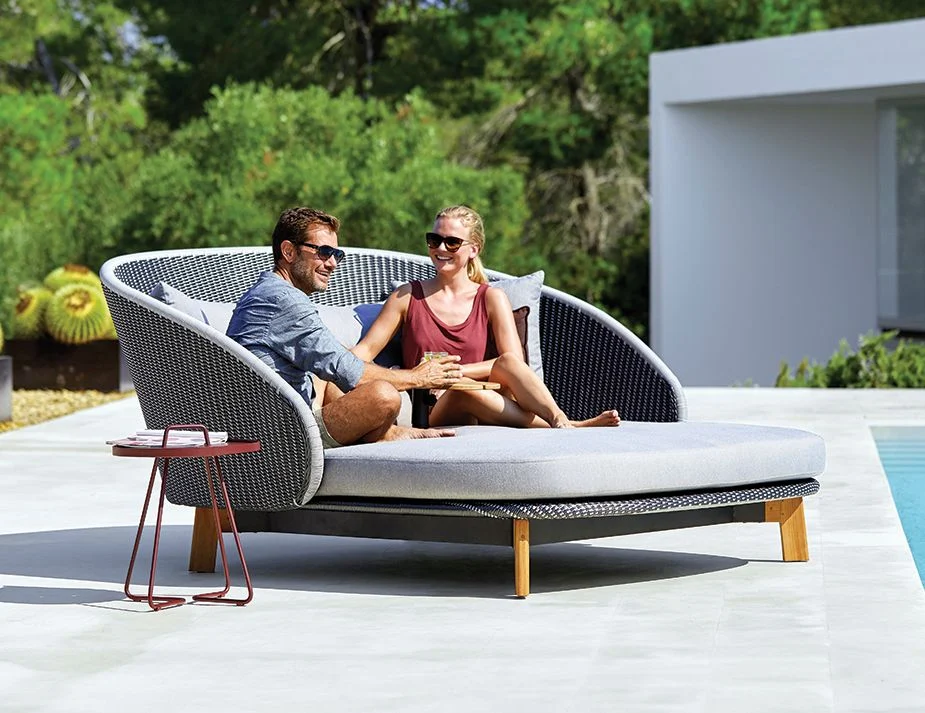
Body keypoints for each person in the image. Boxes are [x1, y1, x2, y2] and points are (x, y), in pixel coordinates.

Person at [353, 205, 621, 429]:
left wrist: (453, 372)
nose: (441, 248)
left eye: (452, 242)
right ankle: (570, 425)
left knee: (506, 364)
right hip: (432, 407)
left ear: (474, 249)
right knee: (465, 390)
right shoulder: (408, 296)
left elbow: (515, 365)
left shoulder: (491, 298)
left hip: (489, 398)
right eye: (434, 240)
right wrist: (328, 361)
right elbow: (364, 352)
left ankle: (558, 417)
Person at [227, 206, 464, 446]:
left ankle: (387, 434)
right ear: (288, 251)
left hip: (277, 418)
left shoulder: (269, 292)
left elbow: (334, 361)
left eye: (336, 255)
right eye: (324, 252)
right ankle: (387, 435)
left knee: (333, 359)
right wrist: (417, 378)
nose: (332, 264)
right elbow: (347, 370)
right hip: (282, 436)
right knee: (384, 395)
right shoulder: (282, 300)